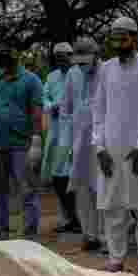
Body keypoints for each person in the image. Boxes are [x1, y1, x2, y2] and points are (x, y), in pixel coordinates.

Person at [93, 17, 138, 276]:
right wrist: (99, 147)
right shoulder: (106, 68)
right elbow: (98, 110)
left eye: (123, 38)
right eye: (114, 38)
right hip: (110, 149)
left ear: (135, 39)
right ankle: (116, 259)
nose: (118, 43)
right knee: (113, 208)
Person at [0, 45, 44, 241]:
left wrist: (36, 140)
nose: (5, 63)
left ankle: (30, 235)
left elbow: (36, 111)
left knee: (27, 190)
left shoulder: (31, 80)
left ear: (17, 58)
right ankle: (1, 234)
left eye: (8, 59)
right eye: (2, 59)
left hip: (21, 144)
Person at [62, 37, 105, 252]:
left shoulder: (108, 72)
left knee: (104, 186)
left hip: (104, 140)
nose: (81, 66)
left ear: (96, 55)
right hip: (80, 140)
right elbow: (66, 108)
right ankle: (90, 235)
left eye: (84, 62)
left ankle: (107, 236)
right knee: (83, 187)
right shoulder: (72, 74)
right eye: (78, 62)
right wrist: (70, 143)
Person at [42, 42, 80, 235]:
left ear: (71, 55)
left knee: (73, 176)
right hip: (56, 131)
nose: (60, 60)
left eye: (64, 56)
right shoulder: (52, 77)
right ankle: (69, 217)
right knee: (58, 177)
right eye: (57, 57)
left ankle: (79, 219)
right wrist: (51, 106)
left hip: (74, 130)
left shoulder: (79, 73)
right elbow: (44, 97)